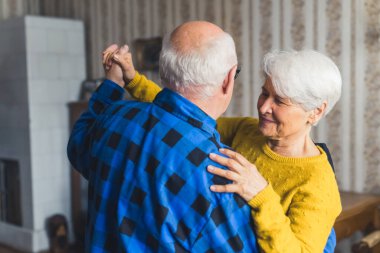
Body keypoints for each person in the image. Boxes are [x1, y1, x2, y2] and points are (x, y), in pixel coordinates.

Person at [109, 48, 342, 252]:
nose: (263, 106)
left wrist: (261, 195)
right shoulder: (248, 130)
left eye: (280, 101)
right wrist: (133, 80)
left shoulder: (318, 184)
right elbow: (187, 117)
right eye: (264, 93)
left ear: (316, 111)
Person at [67, 21, 260, 252]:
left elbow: (77, 144)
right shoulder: (220, 176)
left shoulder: (115, 117)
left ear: (163, 70)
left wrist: (112, 82)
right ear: (228, 79)